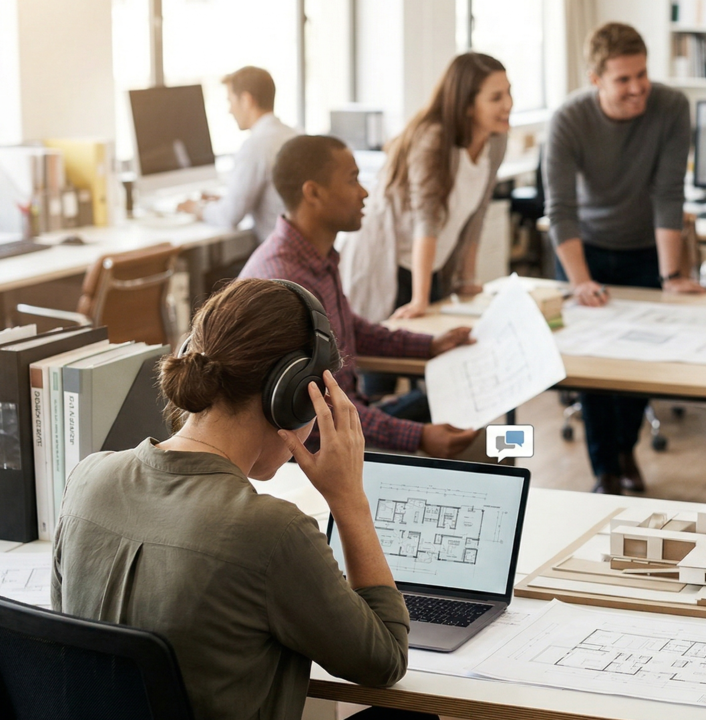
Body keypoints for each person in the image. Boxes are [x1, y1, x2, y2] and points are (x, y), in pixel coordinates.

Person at [53, 278, 418, 720]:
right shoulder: (271, 533)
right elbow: (385, 660)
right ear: (291, 397)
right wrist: (349, 499)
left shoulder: (87, 479)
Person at [240, 134, 478, 458]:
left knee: (472, 418)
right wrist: (417, 437)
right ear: (313, 192)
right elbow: (317, 413)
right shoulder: (286, 282)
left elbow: (349, 329)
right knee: (476, 440)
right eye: (353, 180)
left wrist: (431, 345)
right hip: (321, 448)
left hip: (349, 420)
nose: (364, 192)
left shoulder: (316, 256)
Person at [545, 22, 703, 495]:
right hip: (585, 250)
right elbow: (561, 210)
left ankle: (627, 449)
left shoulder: (671, 106)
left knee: (639, 364)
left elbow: (668, 193)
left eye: (642, 75)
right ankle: (605, 471)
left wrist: (671, 273)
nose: (638, 88)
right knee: (594, 369)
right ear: (595, 79)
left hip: (643, 249)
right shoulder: (569, 118)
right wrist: (580, 281)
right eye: (623, 79)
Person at [340, 53, 512, 323]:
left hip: (432, 262)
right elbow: (427, 219)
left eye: (508, 93)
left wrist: (467, 277)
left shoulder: (496, 140)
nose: (508, 105)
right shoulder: (433, 138)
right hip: (392, 260)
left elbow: (477, 212)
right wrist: (420, 298)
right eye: (496, 98)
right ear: (467, 105)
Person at [179, 67, 298, 242]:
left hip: (277, 256)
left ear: (246, 100)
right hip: (300, 251)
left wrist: (194, 208)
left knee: (210, 271)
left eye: (230, 101)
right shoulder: (293, 134)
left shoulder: (256, 145)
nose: (230, 110)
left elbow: (229, 217)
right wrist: (227, 199)